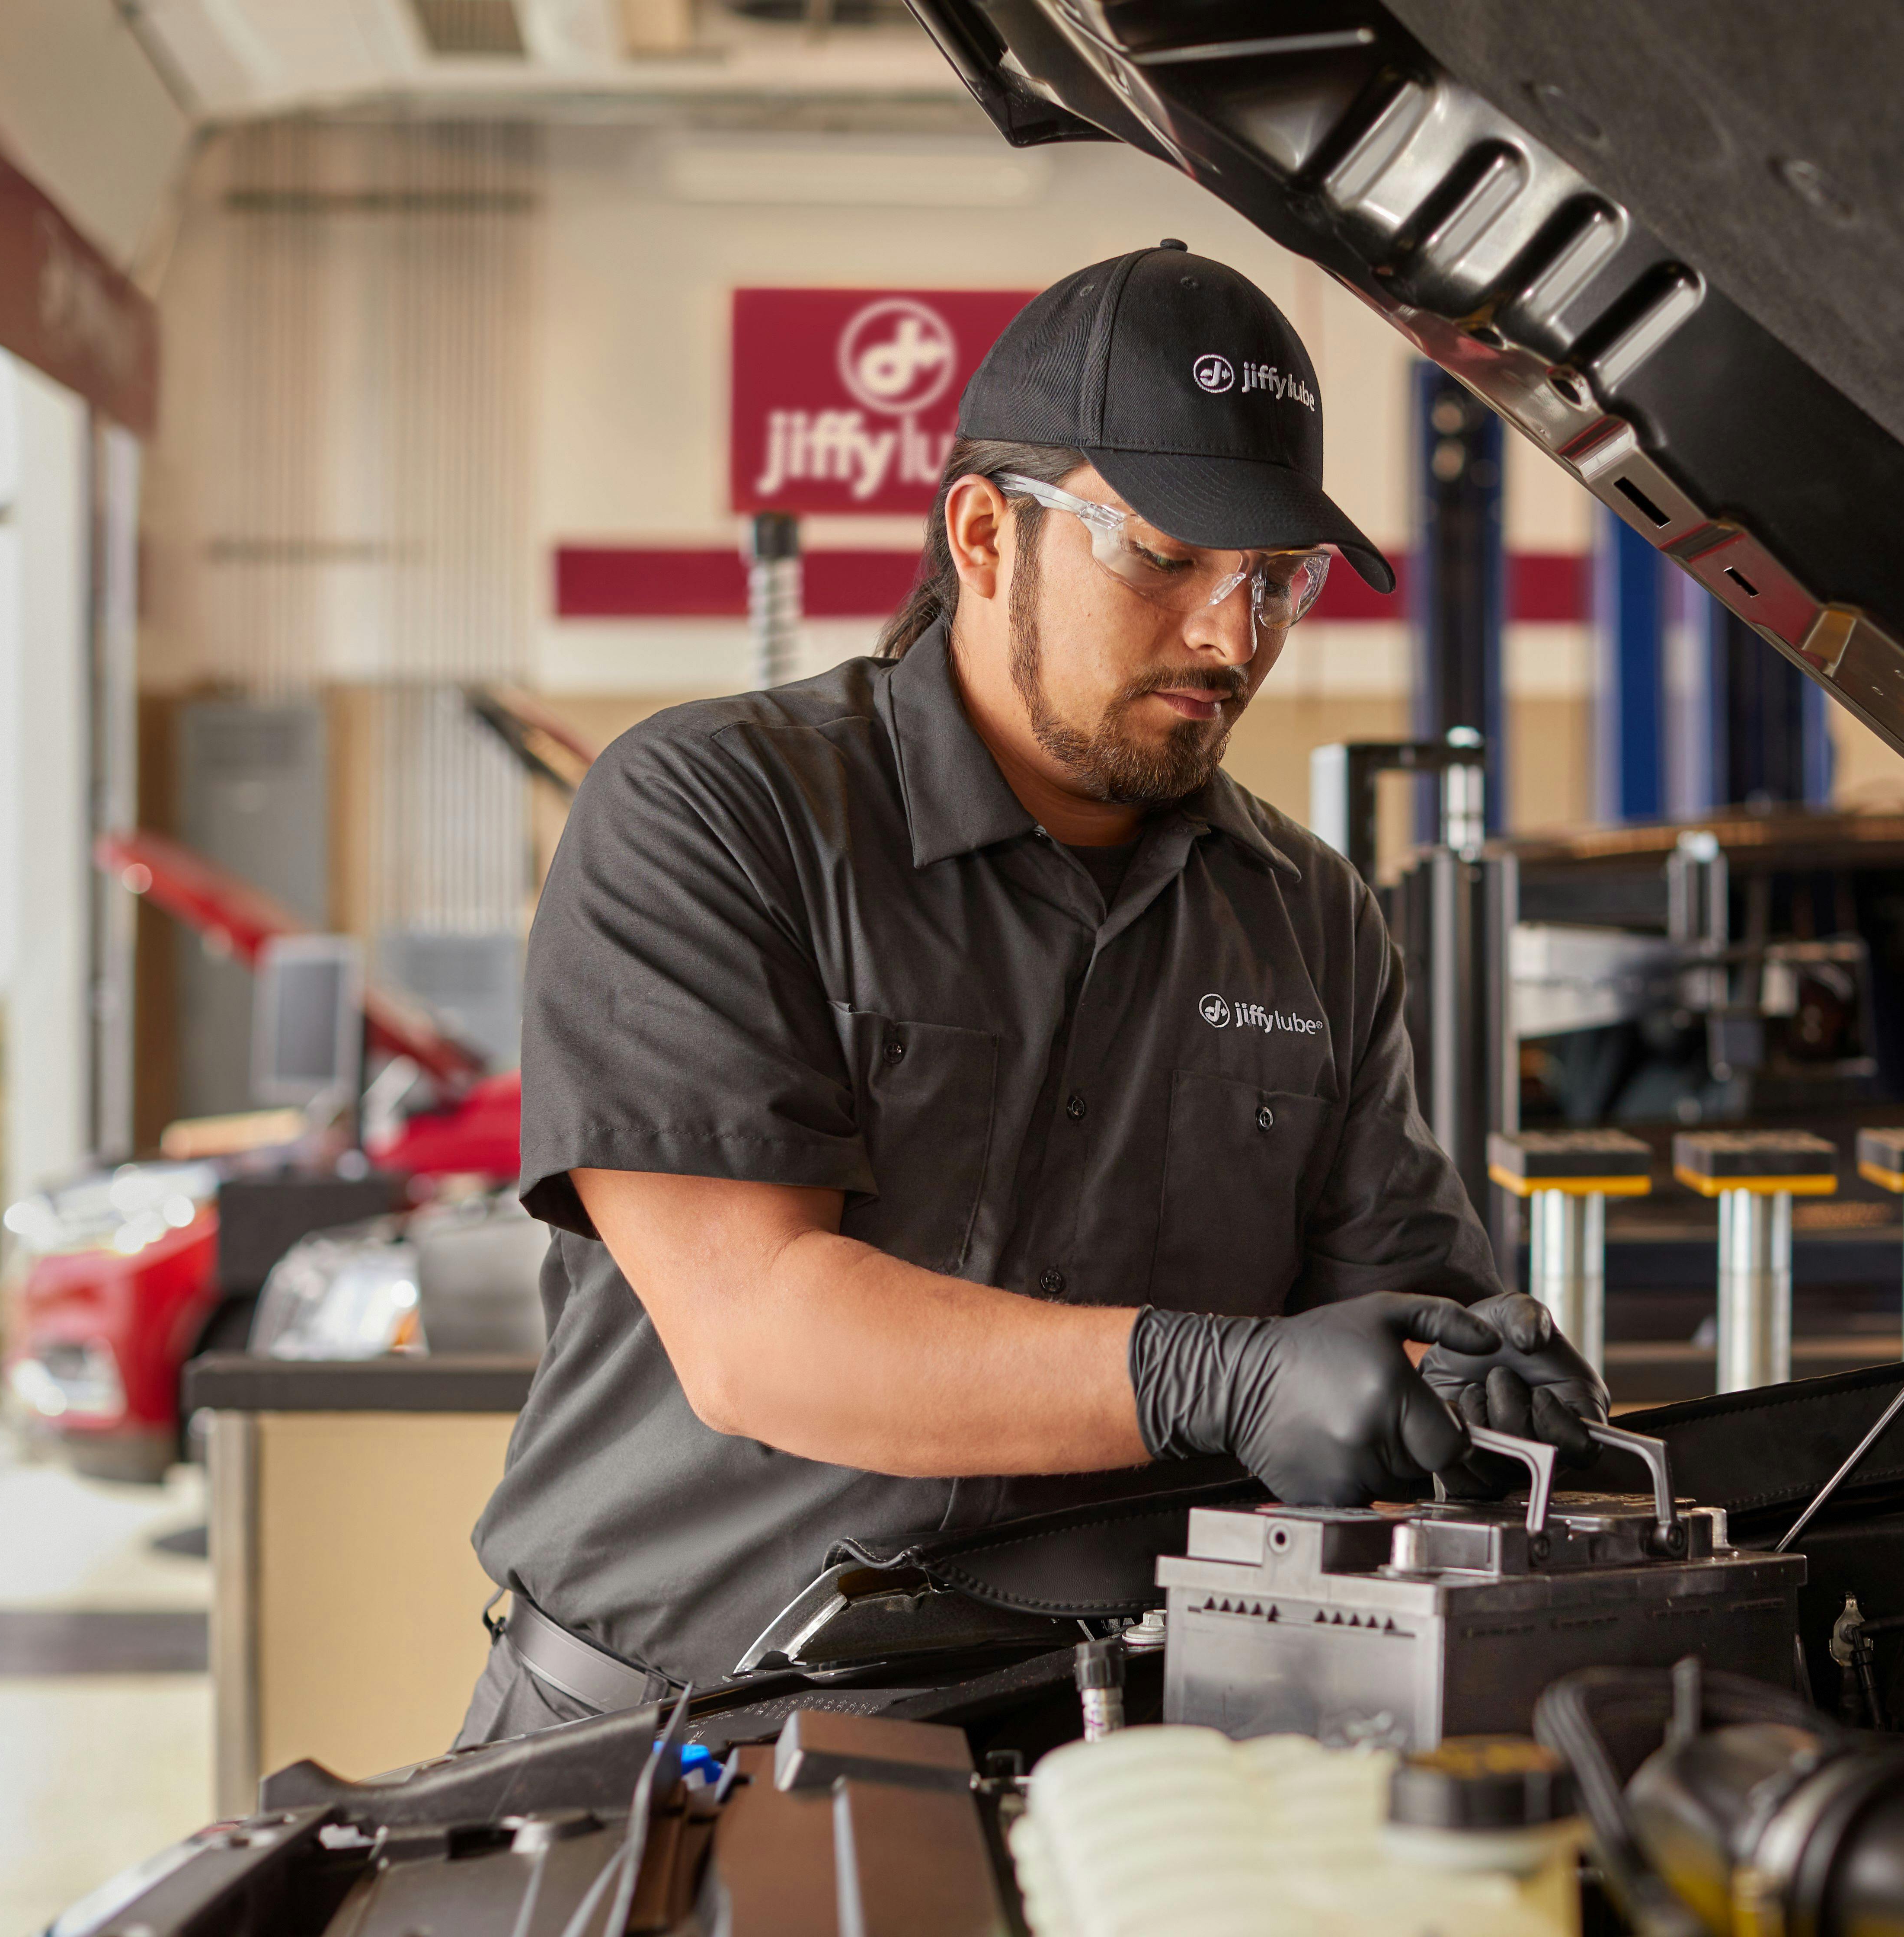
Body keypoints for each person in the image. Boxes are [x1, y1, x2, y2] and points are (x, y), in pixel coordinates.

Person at [455, 243, 1602, 1744]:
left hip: (1104, 1763)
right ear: (987, 536)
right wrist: (1226, 1377)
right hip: (666, 1751)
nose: (1231, 636)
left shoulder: (1308, 918)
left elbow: (1395, 1309)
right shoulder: (713, 814)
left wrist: (1478, 1376)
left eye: (1276, 578)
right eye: (1169, 556)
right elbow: (758, 1336)